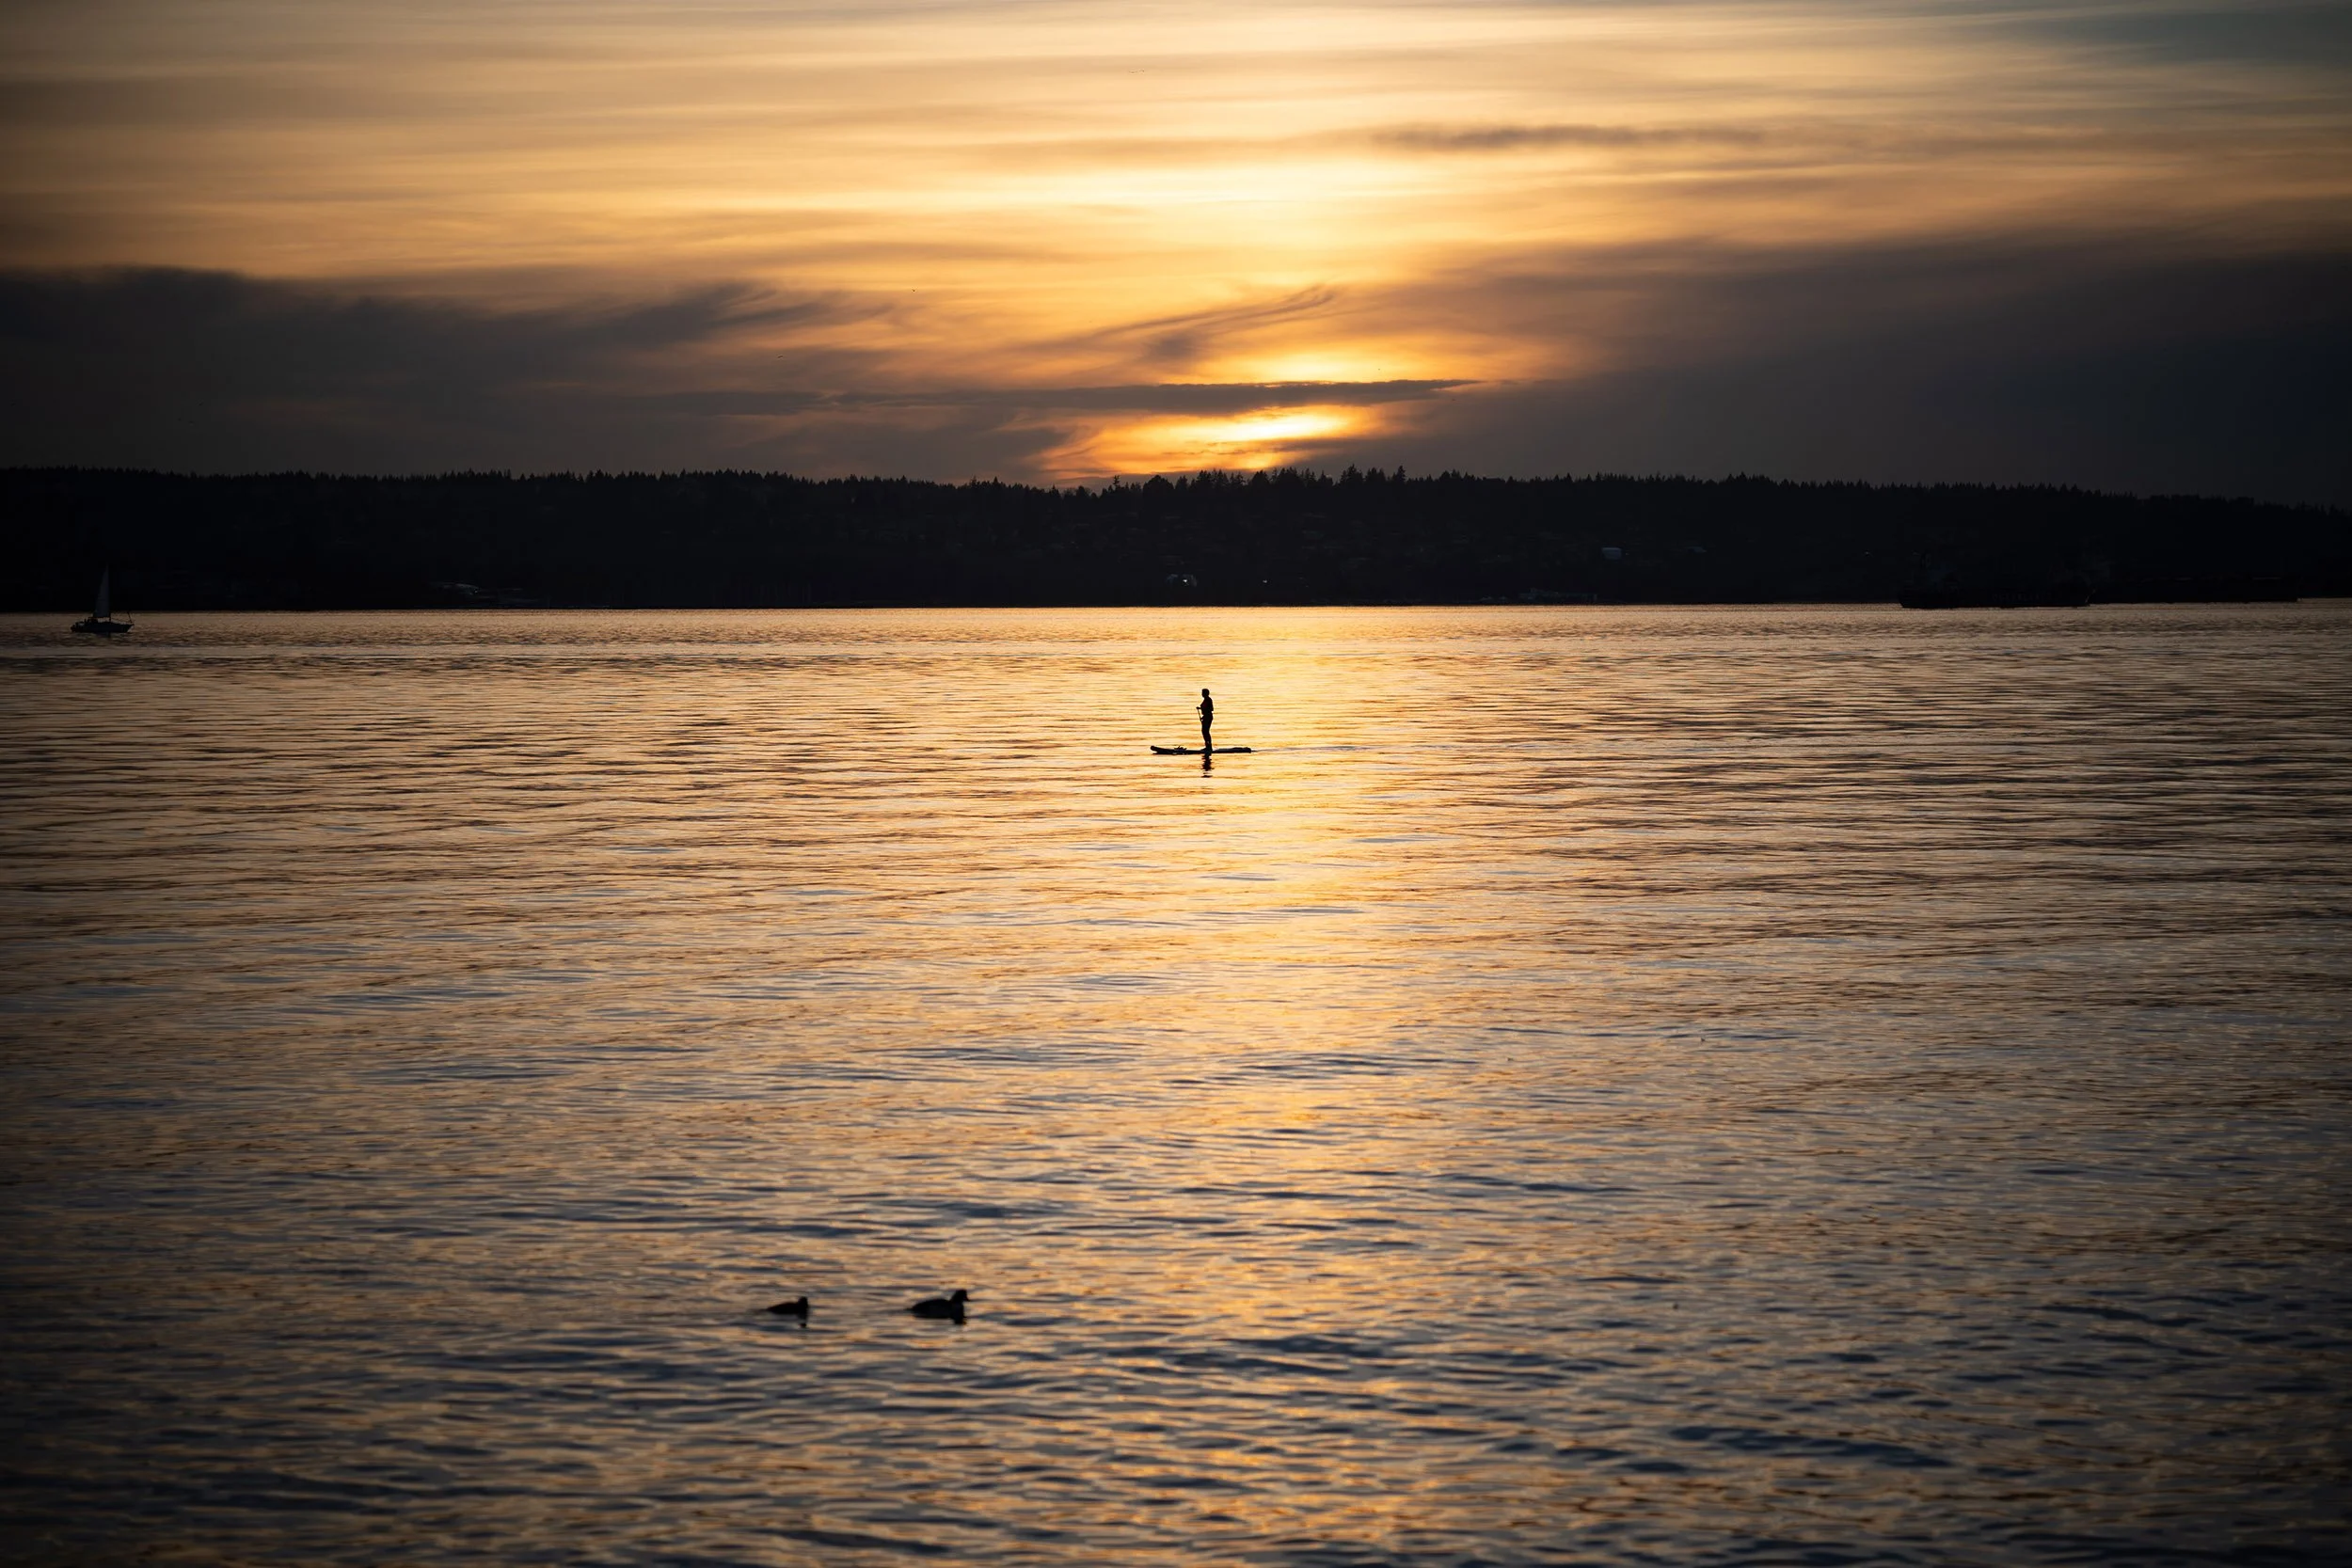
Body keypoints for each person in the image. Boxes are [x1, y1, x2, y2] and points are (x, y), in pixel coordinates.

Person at [1197, 688, 1215, 752]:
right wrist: (1200, 708)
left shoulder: (1208, 700)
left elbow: (1211, 709)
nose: (1202, 694)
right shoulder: (1205, 699)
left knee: (1205, 731)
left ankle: (1209, 747)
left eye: (1203, 693)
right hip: (1206, 717)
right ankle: (1207, 746)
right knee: (1204, 731)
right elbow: (1205, 708)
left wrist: (1204, 711)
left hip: (1208, 717)